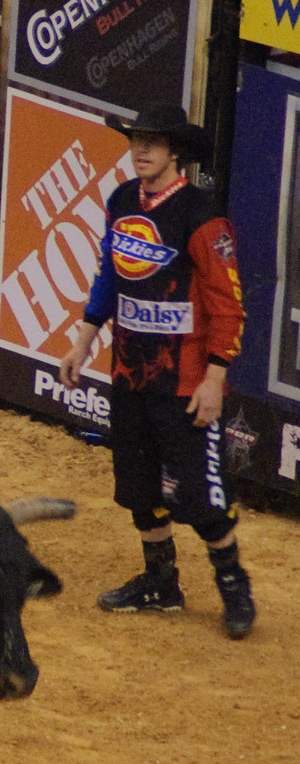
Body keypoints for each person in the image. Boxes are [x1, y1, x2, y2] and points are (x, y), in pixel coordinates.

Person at [59, 103, 256, 640]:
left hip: (185, 382)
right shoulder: (122, 200)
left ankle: (235, 587)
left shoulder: (201, 215)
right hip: (130, 373)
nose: (141, 149)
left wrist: (215, 378)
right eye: (136, 139)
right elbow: (109, 276)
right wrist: (83, 340)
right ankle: (161, 583)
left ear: (176, 152)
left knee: (203, 498)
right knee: (138, 486)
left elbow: (228, 306)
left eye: (154, 141)